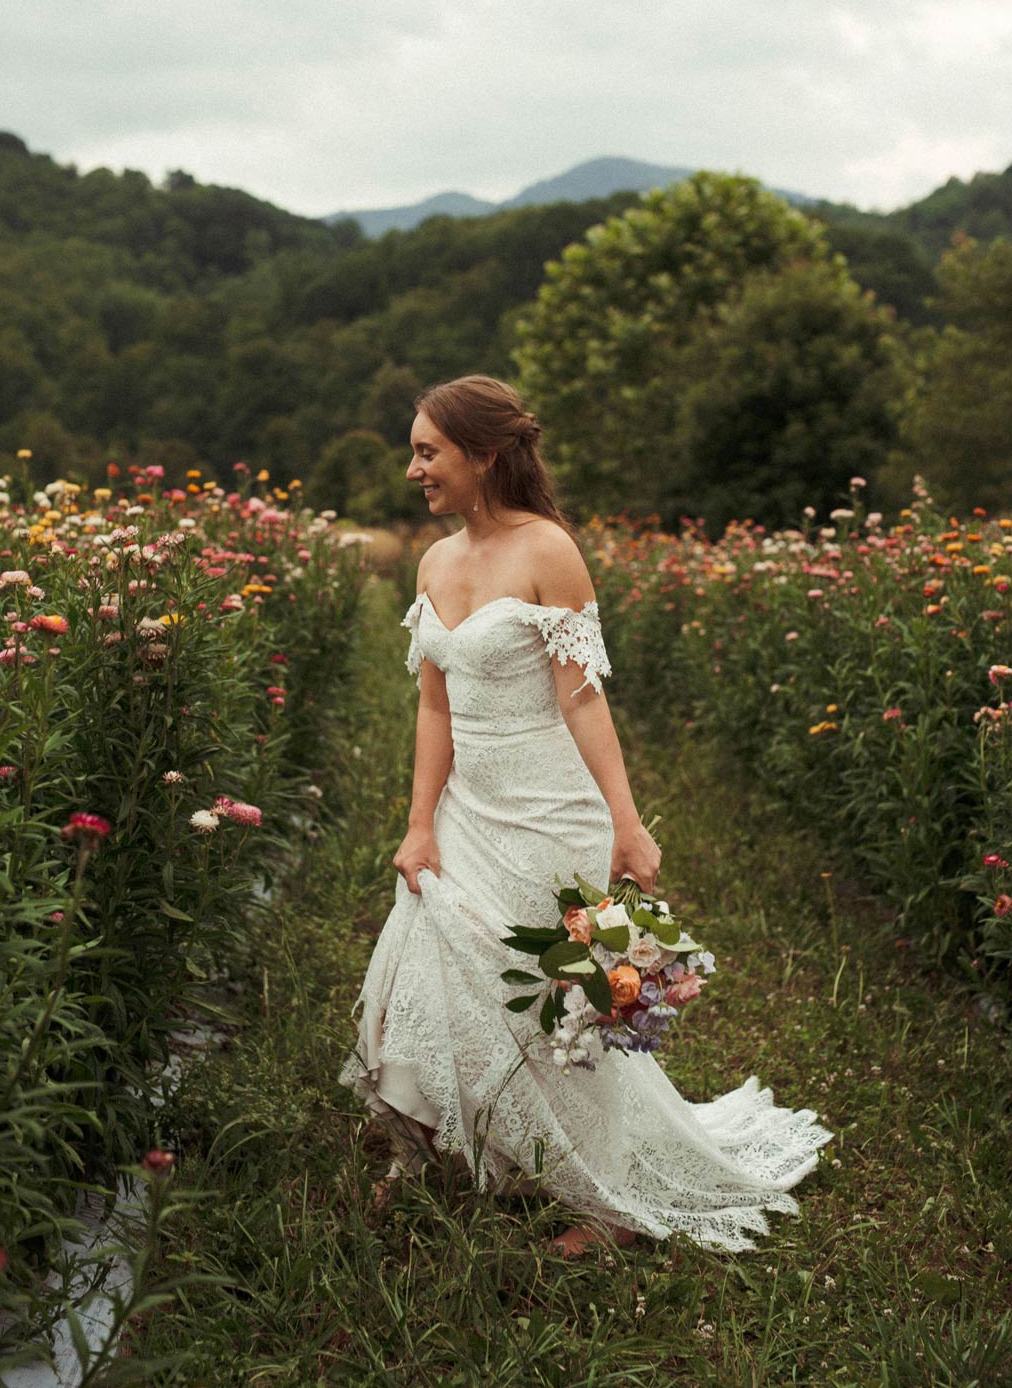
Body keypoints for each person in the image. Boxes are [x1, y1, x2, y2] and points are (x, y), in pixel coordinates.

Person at [338, 374, 833, 1258]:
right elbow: (434, 710)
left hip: (547, 808)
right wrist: (418, 825)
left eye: (427, 451)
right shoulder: (434, 561)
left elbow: (583, 701)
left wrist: (626, 824)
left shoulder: (548, 551)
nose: (413, 468)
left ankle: (607, 1203)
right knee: (426, 975)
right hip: (464, 812)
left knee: (562, 1007)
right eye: (413, 451)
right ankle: (441, 1150)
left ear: (483, 455)